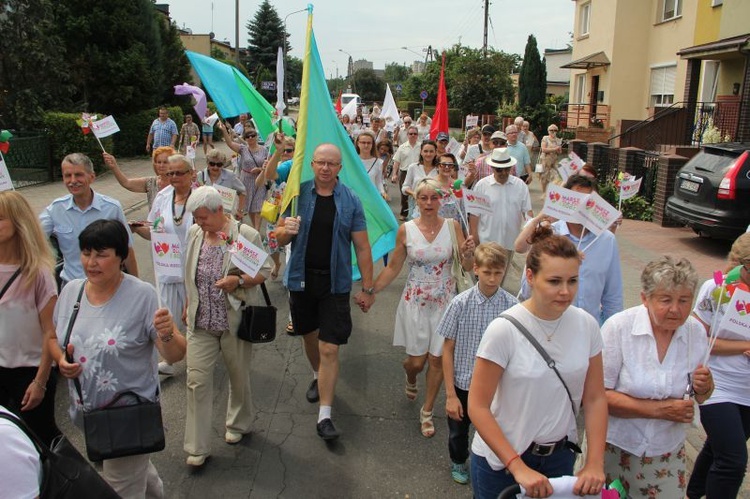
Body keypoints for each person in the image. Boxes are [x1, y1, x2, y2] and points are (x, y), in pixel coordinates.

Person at [468, 226, 608, 499]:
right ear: (530, 277)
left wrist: (594, 462)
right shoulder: (503, 329)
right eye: (554, 281)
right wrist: (517, 467)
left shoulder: (587, 325)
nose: (566, 291)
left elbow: (595, 398)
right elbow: (477, 405)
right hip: (502, 463)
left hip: (560, 458)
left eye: (573, 281)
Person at [51, 219, 186, 497]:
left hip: (127, 416)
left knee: (118, 489)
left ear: (122, 256)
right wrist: (62, 361)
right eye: (86, 253)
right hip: (88, 414)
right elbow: (55, 339)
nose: (92, 262)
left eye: (101, 254)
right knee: (137, 471)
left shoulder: (142, 295)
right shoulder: (71, 292)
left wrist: (167, 333)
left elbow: (175, 354)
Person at [274, 143, 375, 441]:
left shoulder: (351, 201)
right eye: (321, 162)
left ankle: (325, 416)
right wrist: (285, 231)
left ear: (340, 168)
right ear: (313, 165)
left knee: (329, 347)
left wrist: (368, 288)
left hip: (335, 284)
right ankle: (318, 376)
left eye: (332, 164)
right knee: (310, 338)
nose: (326, 168)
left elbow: (362, 246)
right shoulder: (297, 193)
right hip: (302, 280)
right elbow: (277, 238)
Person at [372, 178, 476, 438]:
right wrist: (371, 290)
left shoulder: (453, 226)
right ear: (416, 200)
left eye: (434, 198)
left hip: (445, 302)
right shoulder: (406, 230)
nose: (429, 203)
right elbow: (394, 266)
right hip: (416, 302)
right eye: (423, 198)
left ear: (441, 200)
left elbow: (468, 266)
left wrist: (468, 252)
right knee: (416, 362)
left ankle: (427, 410)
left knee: (438, 359)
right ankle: (410, 376)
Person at [602, 256, 713, 498]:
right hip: (615, 448)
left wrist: (704, 388)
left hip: (666, 451)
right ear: (645, 298)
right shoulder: (618, 328)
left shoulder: (695, 332)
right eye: (666, 300)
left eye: (684, 300)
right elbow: (597, 397)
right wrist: (660, 410)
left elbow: (699, 396)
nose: (676, 309)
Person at [182, 186, 272, 467]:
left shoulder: (244, 235)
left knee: (238, 376)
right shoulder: (195, 234)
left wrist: (239, 282)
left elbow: (265, 271)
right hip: (200, 322)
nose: (199, 223)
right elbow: (190, 274)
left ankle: (238, 423)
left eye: (203, 217)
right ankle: (197, 447)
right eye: (195, 218)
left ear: (220, 210)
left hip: (233, 321)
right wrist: (188, 303)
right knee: (196, 381)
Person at [437, 242, 518, 485]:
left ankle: (492, 463)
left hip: (495, 387)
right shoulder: (460, 303)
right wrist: (450, 393)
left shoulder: (512, 306)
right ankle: (459, 460)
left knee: (493, 430)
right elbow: (447, 348)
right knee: (458, 431)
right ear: (476, 270)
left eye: (497, 272)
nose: (492, 278)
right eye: (487, 272)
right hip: (463, 383)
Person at [687, 232, 750, 498]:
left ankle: (694, 492)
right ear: (743, 264)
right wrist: (742, 347)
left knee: (718, 448)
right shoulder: (718, 288)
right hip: (716, 385)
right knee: (733, 461)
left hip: (747, 391)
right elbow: (699, 338)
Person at [514, 174, 623, 323]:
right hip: (548, 327)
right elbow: (527, 290)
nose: (582, 207)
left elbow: (613, 297)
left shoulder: (607, 241)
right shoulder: (549, 233)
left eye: (589, 201)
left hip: (588, 331)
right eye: (577, 200)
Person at [0, 191, 61, 446]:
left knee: (40, 440)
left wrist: (40, 382)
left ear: (19, 222)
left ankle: (66, 483)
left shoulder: (38, 273)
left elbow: (50, 332)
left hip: (30, 371)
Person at [39, 153, 139, 287]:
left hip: (108, 287)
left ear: (92, 177)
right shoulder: (55, 209)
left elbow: (127, 250)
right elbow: (32, 238)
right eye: (67, 175)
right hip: (72, 288)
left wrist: (135, 285)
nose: (73, 180)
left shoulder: (112, 208)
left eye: (78, 175)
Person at [469, 148, 533, 280]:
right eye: (499, 169)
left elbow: (528, 212)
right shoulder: (481, 185)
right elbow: (474, 215)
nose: (503, 172)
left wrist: (531, 234)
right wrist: (474, 238)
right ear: (492, 167)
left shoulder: (520, 185)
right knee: (485, 277)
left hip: (510, 242)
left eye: (507, 169)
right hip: (486, 241)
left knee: (499, 278)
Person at [256, 133, 296, 281]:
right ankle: (277, 263)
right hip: (274, 212)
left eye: (289, 150)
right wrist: (263, 169)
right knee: (272, 243)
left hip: (292, 211)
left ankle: (290, 276)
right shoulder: (276, 164)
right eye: (283, 150)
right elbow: (259, 184)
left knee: (291, 246)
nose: (286, 153)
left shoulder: (294, 166)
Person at [218, 121, 268, 230]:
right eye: (247, 136)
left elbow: (269, 166)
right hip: (246, 180)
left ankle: (257, 231)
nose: (250, 138)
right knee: (250, 207)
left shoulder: (264, 150)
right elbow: (230, 143)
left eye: (253, 135)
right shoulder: (243, 149)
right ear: (245, 139)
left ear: (257, 136)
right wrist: (224, 130)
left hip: (260, 180)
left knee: (258, 207)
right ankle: (255, 228)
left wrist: (259, 169)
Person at [103, 146, 174, 209]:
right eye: (159, 162)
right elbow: (126, 183)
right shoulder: (151, 182)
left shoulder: (179, 183)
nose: (161, 165)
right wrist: (114, 167)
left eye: (165, 162)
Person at [196, 149, 246, 220]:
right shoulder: (200, 176)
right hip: (206, 216)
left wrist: (240, 210)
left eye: (219, 165)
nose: (215, 167)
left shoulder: (230, 175)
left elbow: (243, 192)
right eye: (212, 164)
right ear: (207, 163)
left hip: (226, 217)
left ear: (223, 165)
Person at [402, 140, 439, 219]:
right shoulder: (413, 167)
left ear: (435, 152)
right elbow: (405, 187)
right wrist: (414, 194)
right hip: (415, 206)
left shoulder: (439, 169)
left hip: (433, 207)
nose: (428, 154)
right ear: (421, 152)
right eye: (425, 151)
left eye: (431, 151)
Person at [391, 125, 422, 220]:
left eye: (415, 134)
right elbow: (396, 162)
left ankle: (418, 213)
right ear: (407, 135)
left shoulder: (422, 146)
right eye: (411, 134)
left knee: (419, 193)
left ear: (417, 135)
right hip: (405, 172)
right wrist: (394, 174)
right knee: (404, 193)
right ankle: (404, 213)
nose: (413, 135)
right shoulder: (402, 147)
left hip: (418, 172)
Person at [356, 131, 385, 199]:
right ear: (358, 143)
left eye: (369, 143)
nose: (366, 145)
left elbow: (379, 182)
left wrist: (383, 192)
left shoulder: (378, 162)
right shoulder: (352, 161)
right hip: (355, 198)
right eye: (363, 142)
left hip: (371, 198)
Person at [539, 124, 563, 195]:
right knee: (544, 178)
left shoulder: (558, 140)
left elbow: (560, 152)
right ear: (548, 131)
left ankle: (552, 193)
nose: (553, 132)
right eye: (551, 130)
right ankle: (544, 193)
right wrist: (554, 149)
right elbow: (543, 149)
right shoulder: (545, 138)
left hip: (554, 162)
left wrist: (559, 150)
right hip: (545, 161)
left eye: (555, 130)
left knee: (556, 177)